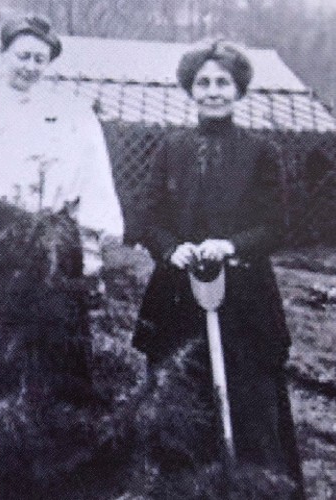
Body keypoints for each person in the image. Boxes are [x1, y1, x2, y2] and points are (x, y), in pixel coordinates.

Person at [133, 40, 303, 494]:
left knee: (249, 402)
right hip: (177, 297)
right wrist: (171, 249)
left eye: (222, 83)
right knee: (179, 394)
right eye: (203, 82)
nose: (212, 91)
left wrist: (229, 244)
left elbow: (277, 226)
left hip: (243, 301)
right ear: (190, 89)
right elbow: (149, 218)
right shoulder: (171, 148)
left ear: (238, 91)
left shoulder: (261, 151)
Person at [0, 14, 124, 401]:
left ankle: (56, 435)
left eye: (39, 59)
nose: (29, 67)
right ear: (3, 56)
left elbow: (94, 182)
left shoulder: (75, 118)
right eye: (22, 56)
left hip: (55, 243)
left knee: (56, 351)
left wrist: (93, 256)